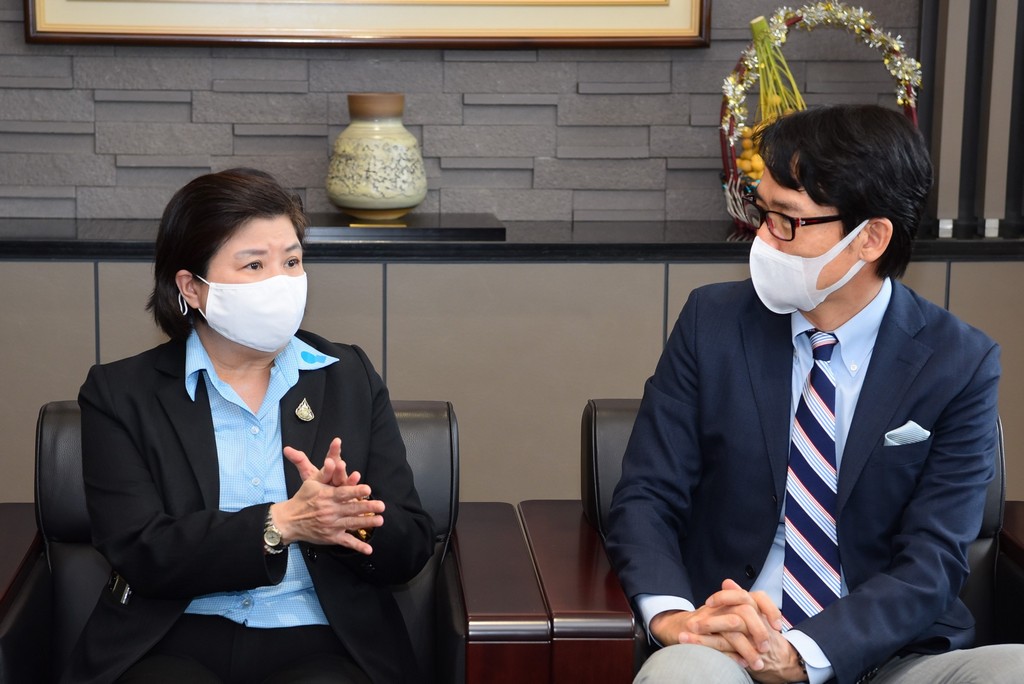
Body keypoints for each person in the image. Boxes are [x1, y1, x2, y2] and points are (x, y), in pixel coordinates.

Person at [605, 104, 1024, 684]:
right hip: (729, 647)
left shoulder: (960, 362)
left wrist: (806, 653)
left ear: (870, 238)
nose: (763, 236)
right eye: (762, 211)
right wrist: (678, 620)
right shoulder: (712, 323)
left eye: (787, 220)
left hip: (890, 657)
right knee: (682, 674)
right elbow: (647, 494)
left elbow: (933, 558)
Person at [68, 168, 434, 684]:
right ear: (192, 288)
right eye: (255, 264)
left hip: (320, 634)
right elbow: (140, 549)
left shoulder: (348, 376)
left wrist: (346, 518)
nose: (280, 283)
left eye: (292, 262)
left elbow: (412, 545)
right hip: (170, 632)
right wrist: (280, 523)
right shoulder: (120, 393)